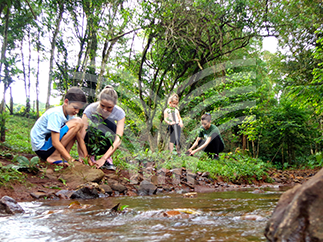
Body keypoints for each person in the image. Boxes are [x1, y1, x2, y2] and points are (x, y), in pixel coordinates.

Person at [30, 87, 88, 165]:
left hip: (48, 145)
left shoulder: (69, 115)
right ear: (66, 102)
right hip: (42, 148)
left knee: (77, 124)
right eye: (75, 108)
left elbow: (79, 138)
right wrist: (70, 160)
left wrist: (86, 156)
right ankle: (55, 157)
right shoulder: (56, 114)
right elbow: (55, 142)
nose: (77, 111)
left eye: (79, 109)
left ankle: (63, 157)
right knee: (78, 122)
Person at [82, 85, 125, 170]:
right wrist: (85, 156)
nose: (105, 110)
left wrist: (103, 158)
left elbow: (118, 139)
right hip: (90, 143)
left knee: (111, 124)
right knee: (94, 124)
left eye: (109, 107)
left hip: (106, 144)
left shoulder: (119, 113)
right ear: (99, 101)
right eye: (102, 106)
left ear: (115, 105)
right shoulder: (90, 109)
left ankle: (108, 159)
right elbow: (81, 135)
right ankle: (91, 156)